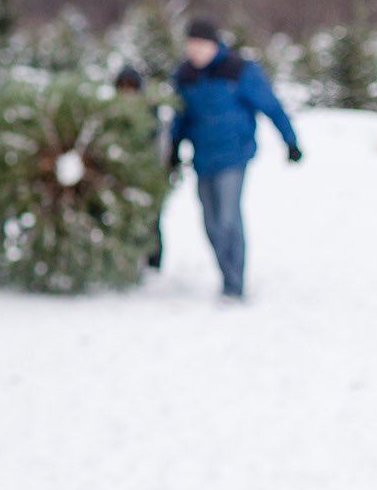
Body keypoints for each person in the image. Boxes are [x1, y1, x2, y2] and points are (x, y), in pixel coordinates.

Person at [169, 18, 302, 301]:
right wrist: (173, 148)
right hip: (203, 158)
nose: (195, 51)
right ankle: (226, 274)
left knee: (228, 219)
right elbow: (181, 118)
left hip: (234, 157)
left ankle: (234, 284)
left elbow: (271, 105)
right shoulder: (185, 75)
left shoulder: (238, 69)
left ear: (213, 44)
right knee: (211, 224)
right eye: (191, 45)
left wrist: (290, 141)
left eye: (200, 45)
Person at [114, 64, 170, 270]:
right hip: (123, 175)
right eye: (123, 88)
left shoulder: (151, 115)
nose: (128, 93)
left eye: (131, 87)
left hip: (149, 174)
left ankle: (153, 262)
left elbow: (161, 146)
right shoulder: (113, 114)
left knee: (151, 220)